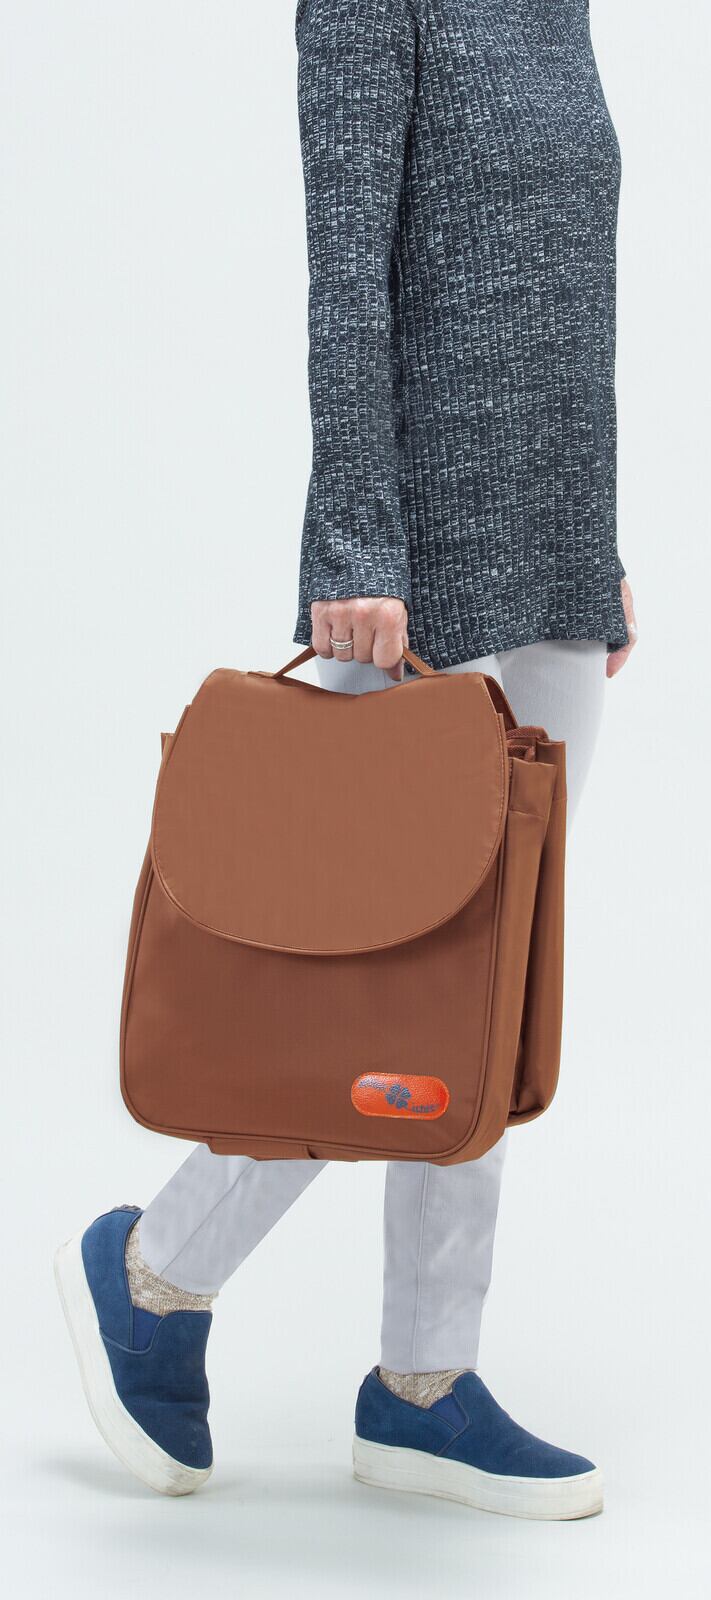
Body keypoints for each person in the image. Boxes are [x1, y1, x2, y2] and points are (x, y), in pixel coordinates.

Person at [55, 0, 637, 1517]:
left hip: (555, 557)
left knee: (486, 994)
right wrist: (357, 546)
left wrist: (595, 545)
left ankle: (425, 1384)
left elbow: (568, 293)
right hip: (416, 572)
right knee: (377, 988)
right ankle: (154, 1273)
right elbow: (348, 273)